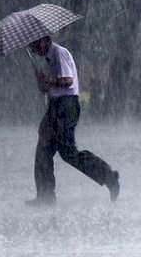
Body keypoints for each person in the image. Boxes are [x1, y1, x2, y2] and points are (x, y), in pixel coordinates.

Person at [25, 36, 120, 206]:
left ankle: (109, 176)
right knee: (43, 152)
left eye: (34, 45)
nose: (34, 49)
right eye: (31, 47)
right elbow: (47, 88)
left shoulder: (59, 53)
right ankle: (45, 196)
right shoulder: (47, 59)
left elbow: (68, 81)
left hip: (66, 106)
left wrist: (49, 80)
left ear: (44, 40)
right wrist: (41, 82)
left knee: (68, 153)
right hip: (55, 106)